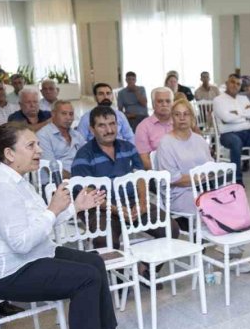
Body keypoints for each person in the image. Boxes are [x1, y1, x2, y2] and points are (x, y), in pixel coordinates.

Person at [0, 123, 146, 329]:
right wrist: (53, 209)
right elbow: (22, 242)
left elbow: (41, 222)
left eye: (37, 144)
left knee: (94, 262)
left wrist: (75, 207)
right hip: (4, 272)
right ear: (9, 154)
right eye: (31, 146)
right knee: (85, 277)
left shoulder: (16, 180)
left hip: (30, 257)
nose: (39, 150)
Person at [72, 106, 175, 249]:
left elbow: (140, 176)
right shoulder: (84, 155)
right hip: (99, 207)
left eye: (112, 124)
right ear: (91, 129)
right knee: (105, 242)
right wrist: (116, 209)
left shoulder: (128, 147)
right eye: (102, 125)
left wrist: (143, 202)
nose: (109, 130)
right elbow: (85, 192)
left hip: (132, 202)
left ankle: (144, 269)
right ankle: (116, 271)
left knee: (171, 229)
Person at [154, 99, 213, 218]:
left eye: (186, 114)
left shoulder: (199, 140)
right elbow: (173, 179)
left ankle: (227, 232)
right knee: (211, 206)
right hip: (179, 194)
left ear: (192, 117)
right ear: (172, 118)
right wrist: (199, 178)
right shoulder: (166, 143)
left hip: (204, 188)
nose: (182, 118)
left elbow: (211, 167)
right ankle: (208, 235)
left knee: (230, 199)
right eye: (177, 114)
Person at [213, 75, 250, 184]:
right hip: (228, 134)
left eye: (238, 84)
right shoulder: (218, 100)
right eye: (232, 82)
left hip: (247, 132)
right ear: (227, 83)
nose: (235, 85)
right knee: (236, 142)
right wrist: (244, 116)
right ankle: (237, 179)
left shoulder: (243, 98)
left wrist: (236, 114)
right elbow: (226, 118)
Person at [38, 100, 86, 178]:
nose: (68, 118)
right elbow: (52, 168)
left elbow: (87, 157)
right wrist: (75, 179)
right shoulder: (43, 135)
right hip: (54, 183)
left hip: (79, 180)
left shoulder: (76, 135)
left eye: (71, 114)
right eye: (64, 114)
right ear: (53, 114)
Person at [135, 88, 174, 169]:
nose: (164, 104)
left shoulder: (179, 123)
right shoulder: (143, 127)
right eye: (160, 101)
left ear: (173, 104)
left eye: (168, 101)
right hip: (157, 175)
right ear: (153, 104)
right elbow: (144, 161)